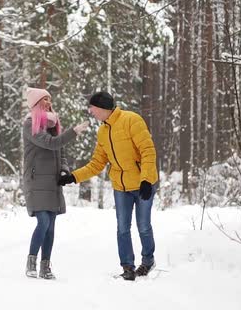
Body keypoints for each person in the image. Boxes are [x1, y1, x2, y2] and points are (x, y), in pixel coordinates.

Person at [59, 91, 158, 281]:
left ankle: (147, 261)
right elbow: (97, 163)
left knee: (143, 226)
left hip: (142, 183)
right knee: (122, 228)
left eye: (93, 108)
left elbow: (147, 151)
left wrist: (146, 180)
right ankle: (128, 266)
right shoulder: (103, 131)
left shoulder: (131, 120)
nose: (91, 111)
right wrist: (73, 177)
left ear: (103, 107)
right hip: (121, 187)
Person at [23, 87, 89, 279]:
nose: (48, 102)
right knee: (43, 221)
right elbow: (52, 144)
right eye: (44, 99)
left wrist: (64, 170)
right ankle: (31, 261)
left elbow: (60, 152)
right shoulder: (30, 125)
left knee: (51, 225)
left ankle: (45, 266)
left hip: (52, 181)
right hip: (36, 181)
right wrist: (74, 131)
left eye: (49, 99)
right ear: (36, 103)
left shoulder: (52, 126)